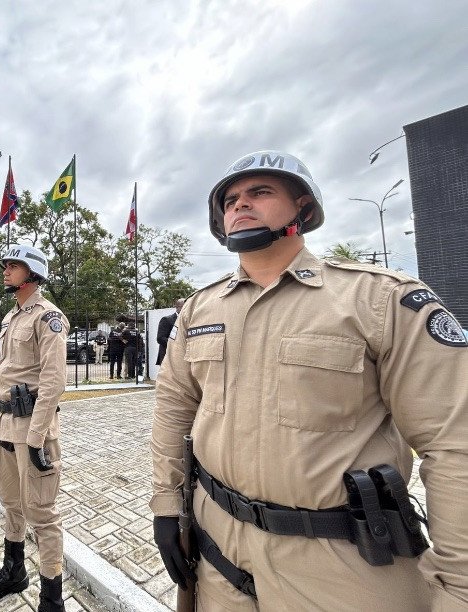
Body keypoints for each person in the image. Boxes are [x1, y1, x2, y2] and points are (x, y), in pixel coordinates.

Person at [151, 150, 468, 610]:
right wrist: (166, 504)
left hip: (342, 564)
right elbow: (173, 406)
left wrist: (457, 586)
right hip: (217, 549)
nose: (239, 205)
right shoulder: (201, 308)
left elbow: (452, 443)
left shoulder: (378, 300)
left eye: (260, 192)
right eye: (231, 199)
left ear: (303, 207)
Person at [0, 244, 69, 612]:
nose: (6, 270)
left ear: (33, 272)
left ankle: (51, 599)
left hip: (32, 429)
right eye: (6, 265)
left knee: (42, 514)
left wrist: (37, 437)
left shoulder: (49, 317)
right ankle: (14, 572)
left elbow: (53, 382)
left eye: (14, 265)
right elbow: (5, 374)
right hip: (5, 424)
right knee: (11, 505)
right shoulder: (11, 318)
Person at [155, 299, 184, 366]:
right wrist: (177, 344)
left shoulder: (188, 321)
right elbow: (160, 338)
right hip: (168, 356)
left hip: (182, 357)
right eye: (183, 307)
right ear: (177, 307)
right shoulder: (167, 320)